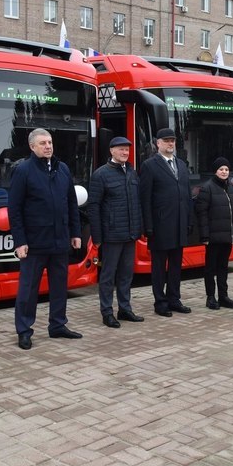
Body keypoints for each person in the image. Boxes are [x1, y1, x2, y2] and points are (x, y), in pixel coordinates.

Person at [8, 128, 83, 349]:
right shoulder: (23, 170)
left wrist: (75, 233)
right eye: (43, 143)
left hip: (60, 240)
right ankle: (24, 330)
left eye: (50, 142)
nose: (48, 146)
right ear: (32, 147)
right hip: (34, 242)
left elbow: (71, 203)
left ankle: (57, 325)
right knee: (28, 289)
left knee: (60, 286)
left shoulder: (62, 169)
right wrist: (20, 241)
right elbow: (15, 209)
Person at [88, 136, 145, 328]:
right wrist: (97, 237)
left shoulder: (132, 172)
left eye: (127, 150)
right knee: (108, 275)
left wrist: (139, 229)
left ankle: (125, 308)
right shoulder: (100, 174)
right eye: (121, 149)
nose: (125, 153)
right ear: (111, 151)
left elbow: (137, 203)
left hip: (130, 233)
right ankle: (107, 312)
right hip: (111, 235)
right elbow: (93, 207)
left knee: (126, 274)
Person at [140, 127, 193, 317]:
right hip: (160, 225)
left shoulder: (181, 164)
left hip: (179, 224)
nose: (171, 144)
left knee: (176, 266)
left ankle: (174, 299)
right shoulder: (149, 165)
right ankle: (160, 302)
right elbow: (145, 198)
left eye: (173, 141)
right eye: (167, 141)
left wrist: (188, 219)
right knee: (159, 267)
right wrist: (148, 225)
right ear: (158, 144)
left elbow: (186, 194)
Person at [195, 157, 233, 310]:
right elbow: (202, 214)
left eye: (226, 169)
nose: (224, 172)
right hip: (213, 238)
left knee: (223, 267)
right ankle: (210, 297)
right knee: (210, 268)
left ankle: (223, 296)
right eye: (221, 169)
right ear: (215, 171)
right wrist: (205, 236)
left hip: (227, 237)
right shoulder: (207, 188)